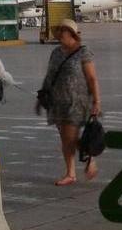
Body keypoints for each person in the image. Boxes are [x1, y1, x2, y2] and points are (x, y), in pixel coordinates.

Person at [36, 18, 101, 186]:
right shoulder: (56, 52)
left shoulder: (83, 52)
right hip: (58, 102)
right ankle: (72, 171)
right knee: (66, 138)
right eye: (58, 31)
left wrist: (96, 101)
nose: (59, 35)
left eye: (62, 31)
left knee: (69, 137)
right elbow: (50, 75)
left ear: (71, 33)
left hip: (77, 102)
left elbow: (92, 78)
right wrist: (42, 96)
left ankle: (88, 160)